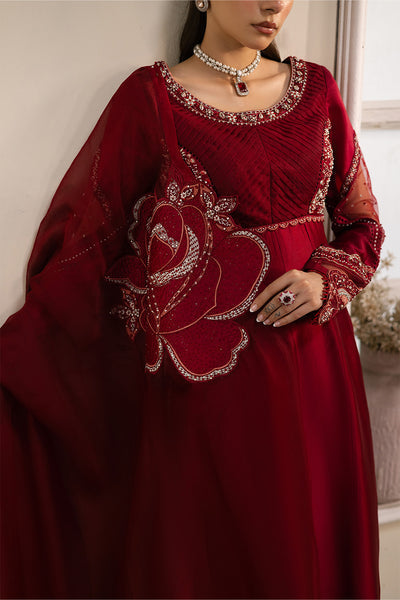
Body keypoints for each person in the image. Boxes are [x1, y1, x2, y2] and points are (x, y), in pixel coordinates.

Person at [0, 0, 385, 598]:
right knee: (222, 553)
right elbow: (90, 242)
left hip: (319, 366)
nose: (274, 4)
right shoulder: (151, 99)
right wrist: (22, 356)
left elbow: (362, 223)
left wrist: (324, 279)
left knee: (314, 543)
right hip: (214, 381)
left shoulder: (318, 91)